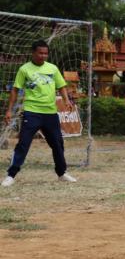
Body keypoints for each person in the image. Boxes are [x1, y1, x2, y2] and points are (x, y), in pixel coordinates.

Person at [1, 40, 77, 187]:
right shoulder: (24, 69)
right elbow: (15, 90)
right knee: (23, 144)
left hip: (50, 113)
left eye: (46, 53)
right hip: (31, 112)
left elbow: (61, 86)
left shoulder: (53, 69)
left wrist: (67, 100)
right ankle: (11, 175)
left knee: (57, 144)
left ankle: (62, 173)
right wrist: (9, 110)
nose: (43, 56)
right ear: (33, 53)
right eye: (40, 53)